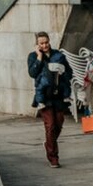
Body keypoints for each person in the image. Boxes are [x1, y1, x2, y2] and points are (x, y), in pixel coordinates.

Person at [28, 31, 72, 168]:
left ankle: (48, 143)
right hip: (44, 96)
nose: (44, 45)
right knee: (50, 125)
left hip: (58, 94)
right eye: (41, 43)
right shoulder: (33, 56)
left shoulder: (58, 55)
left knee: (59, 123)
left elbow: (69, 73)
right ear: (37, 44)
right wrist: (40, 57)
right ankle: (53, 157)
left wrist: (62, 72)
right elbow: (32, 73)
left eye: (46, 42)